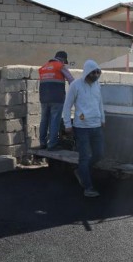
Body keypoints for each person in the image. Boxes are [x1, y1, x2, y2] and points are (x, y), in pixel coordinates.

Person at [63, 60, 105, 198]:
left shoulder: (97, 85)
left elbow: (100, 103)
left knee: (99, 154)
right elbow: (67, 106)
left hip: (96, 126)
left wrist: (102, 119)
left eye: (98, 72)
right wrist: (68, 124)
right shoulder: (76, 85)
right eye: (94, 72)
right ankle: (88, 187)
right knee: (84, 157)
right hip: (81, 128)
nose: (96, 74)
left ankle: (81, 171)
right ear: (87, 72)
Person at [38, 51, 75, 151]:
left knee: (44, 120)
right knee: (55, 120)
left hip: (44, 98)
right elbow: (72, 81)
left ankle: (42, 143)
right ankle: (52, 144)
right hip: (57, 98)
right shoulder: (60, 66)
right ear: (63, 60)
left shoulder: (44, 67)